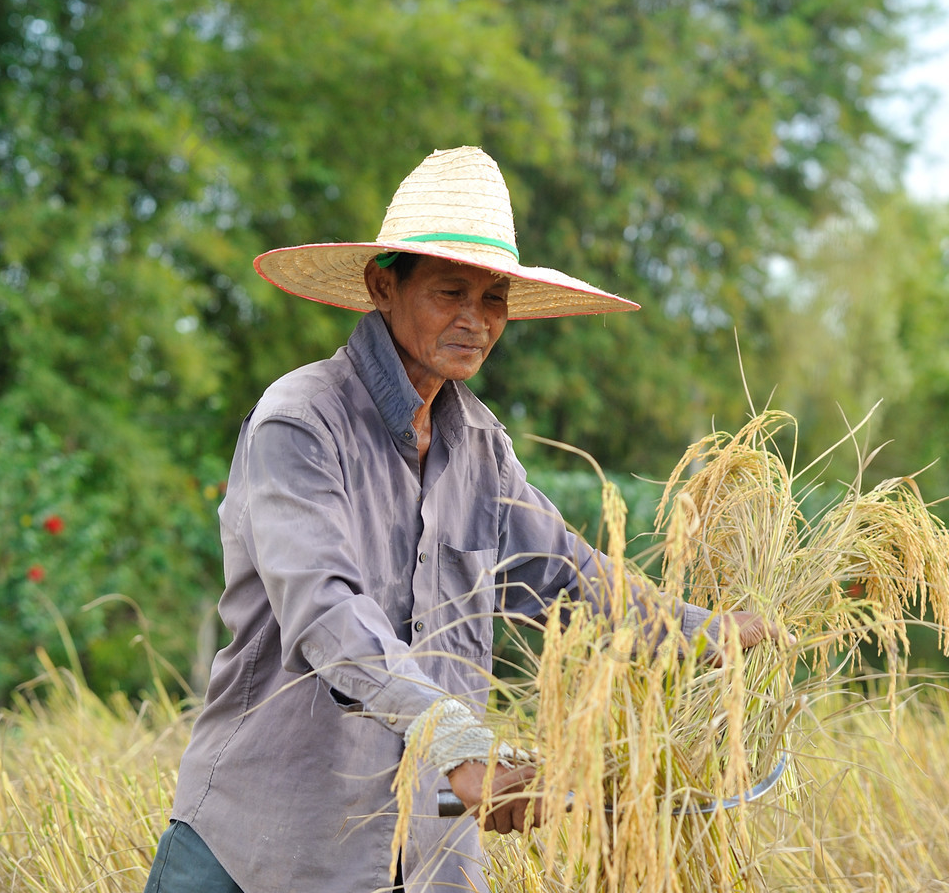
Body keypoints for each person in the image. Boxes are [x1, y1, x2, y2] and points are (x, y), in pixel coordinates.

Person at [143, 146, 778, 893]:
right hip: (263, 849)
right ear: (385, 286)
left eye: (495, 300)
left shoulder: (481, 448)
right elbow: (324, 611)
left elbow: (568, 577)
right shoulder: (301, 421)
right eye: (450, 293)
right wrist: (460, 744)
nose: (475, 321)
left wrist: (705, 633)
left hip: (425, 855)